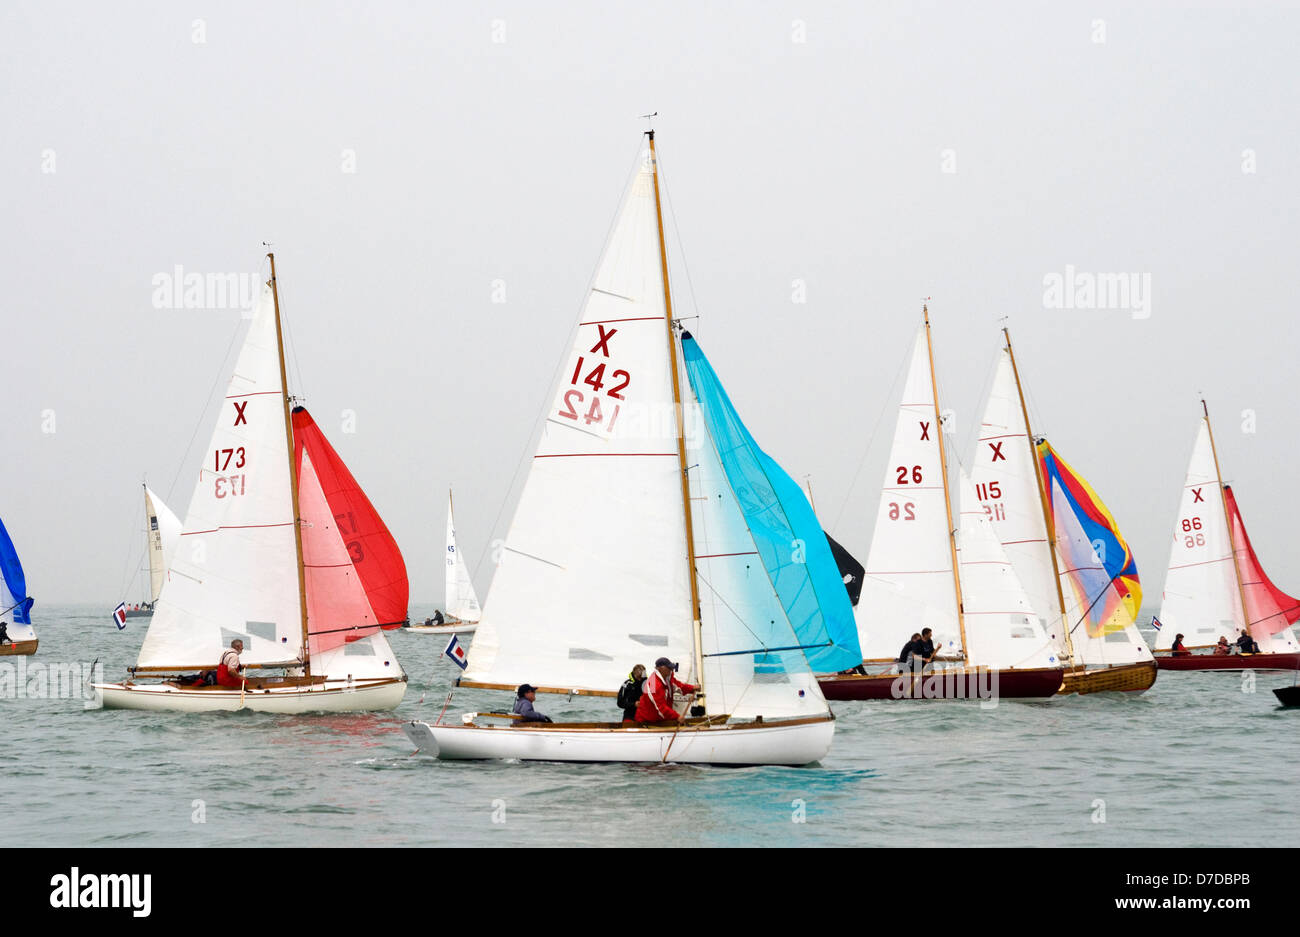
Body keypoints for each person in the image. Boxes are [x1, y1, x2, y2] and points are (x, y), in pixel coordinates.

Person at [635, 657, 698, 723]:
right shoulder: (653, 683)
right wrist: (677, 716)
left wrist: (692, 688)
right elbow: (661, 708)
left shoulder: (667, 678)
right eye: (669, 668)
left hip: (660, 720)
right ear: (661, 668)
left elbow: (678, 686)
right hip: (647, 721)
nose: (671, 669)